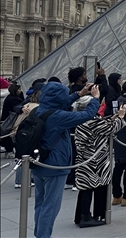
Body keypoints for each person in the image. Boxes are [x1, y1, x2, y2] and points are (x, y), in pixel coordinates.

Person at [31, 81, 100, 238]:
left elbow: (59, 103)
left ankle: (39, 234)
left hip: (38, 163)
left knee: (40, 204)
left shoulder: (39, 110)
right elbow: (86, 115)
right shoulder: (58, 117)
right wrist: (95, 99)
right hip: (55, 166)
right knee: (51, 207)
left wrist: (79, 94)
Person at [73, 96, 126, 228]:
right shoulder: (91, 120)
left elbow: (102, 125)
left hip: (86, 157)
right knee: (91, 186)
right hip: (95, 159)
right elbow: (111, 128)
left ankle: (81, 215)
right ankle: (88, 216)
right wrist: (120, 117)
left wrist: (113, 118)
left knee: (86, 187)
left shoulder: (82, 118)